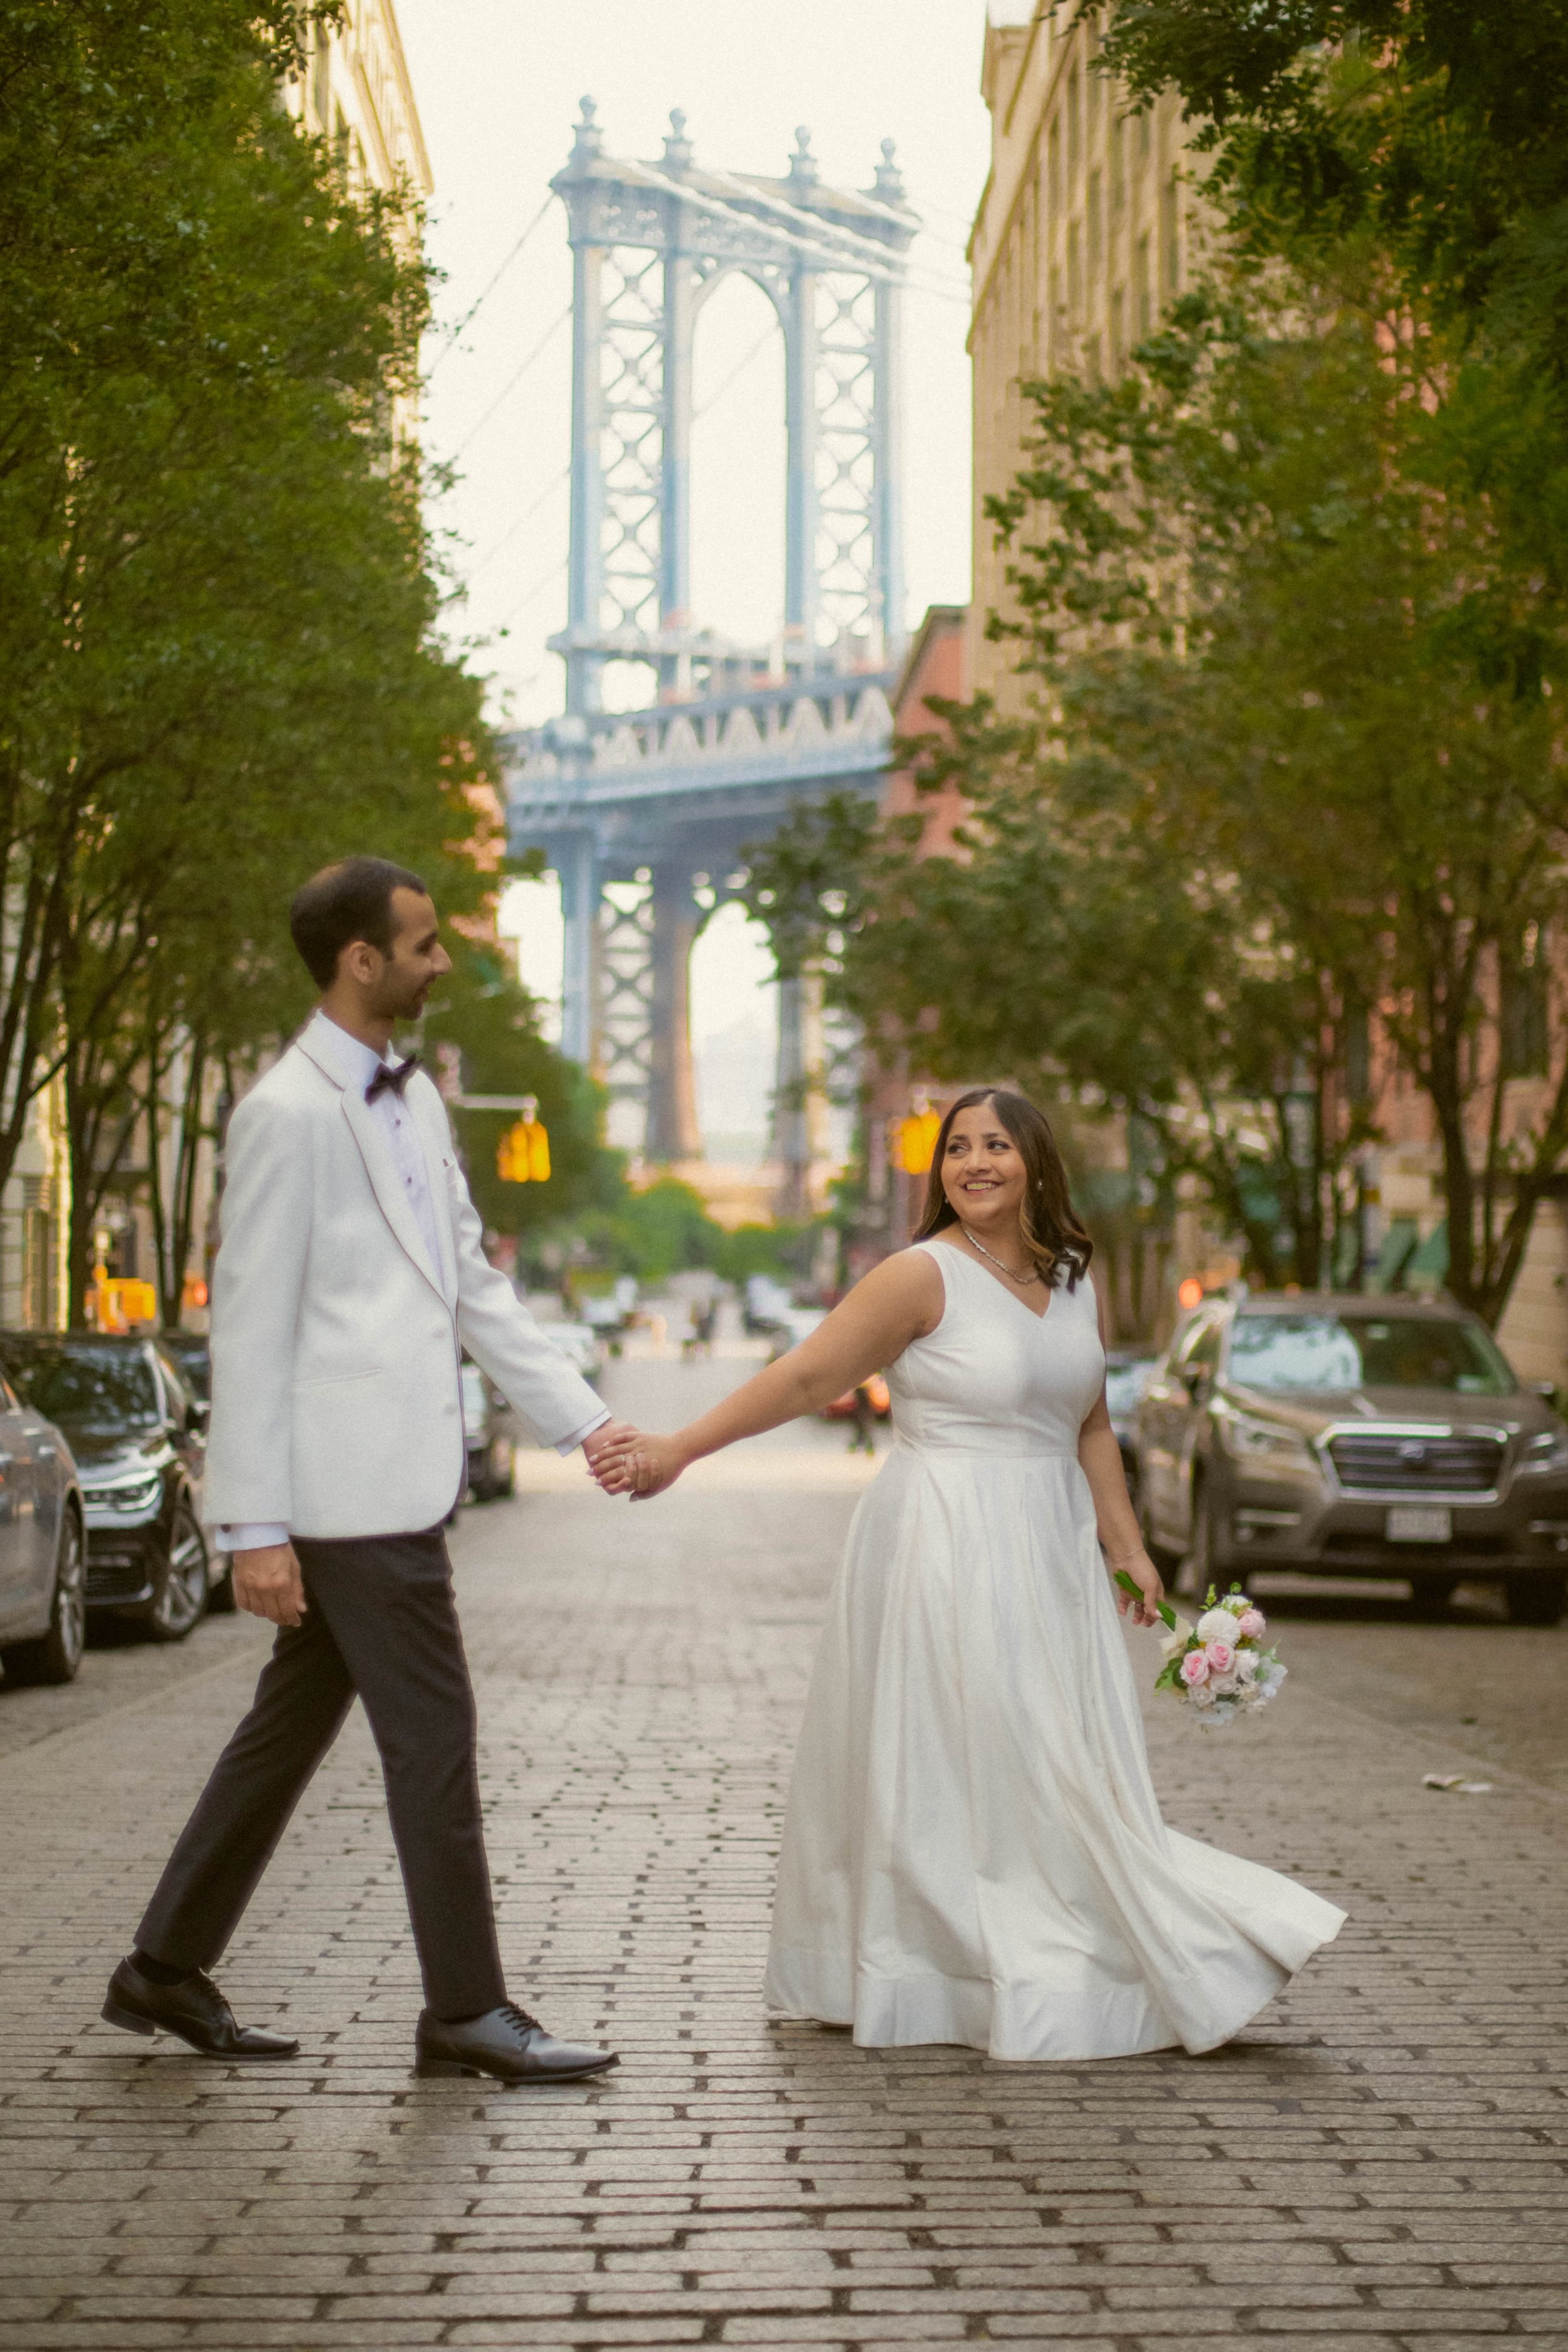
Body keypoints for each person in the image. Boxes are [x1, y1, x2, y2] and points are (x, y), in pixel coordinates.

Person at [592, 1089, 1345, 2061]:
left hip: (1049, 1543)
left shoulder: (1075, 1277)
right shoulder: (919, 1276)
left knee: (1049, 1749)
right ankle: (938, 1963)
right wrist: (678, 1447)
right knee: (964, 1746)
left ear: (1036, 1162)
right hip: (941, 1535)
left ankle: (1043, 1931)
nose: (975, 1162)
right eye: (958, 1147)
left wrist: (1126, 1545)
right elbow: (803, 1378)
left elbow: (1088, 1421)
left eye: (996, 1144)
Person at [104, 859, 628, 2085]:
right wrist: (252, 1525)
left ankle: (163, 1969)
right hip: (341, 1494)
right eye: (425, 944)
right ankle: (465, 2008)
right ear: (361, 960)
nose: (442, 962)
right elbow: (250, 1323)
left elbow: (468, 1283)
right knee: (433, 1734)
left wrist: (582, 1423)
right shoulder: (284, 1112)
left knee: (284, 1734)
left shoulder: (413, 1102)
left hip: (391, 1480)